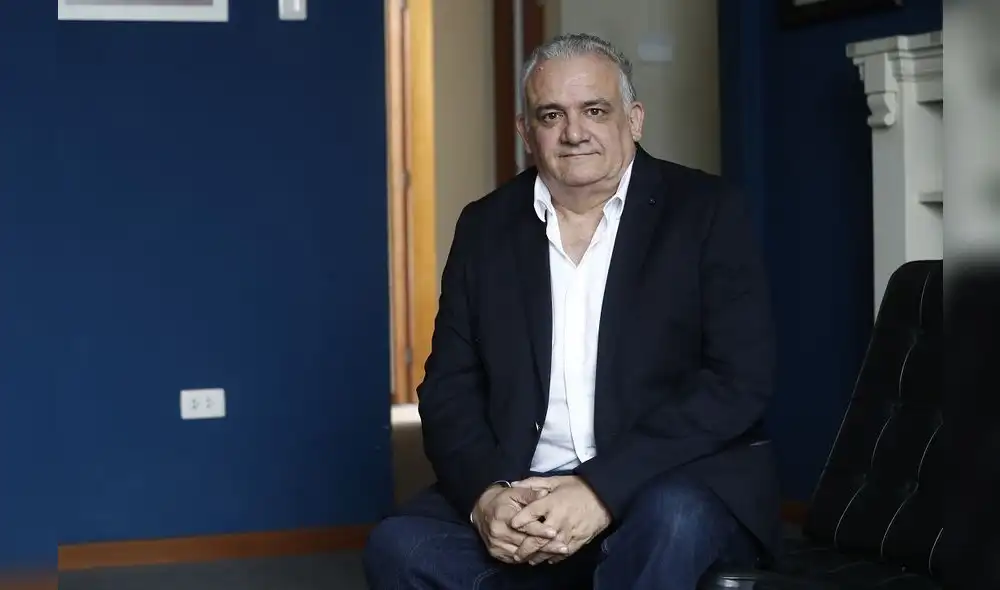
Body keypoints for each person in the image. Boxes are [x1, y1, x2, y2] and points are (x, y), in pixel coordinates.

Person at [364, 32, 780, 590]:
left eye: (595, 111)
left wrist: (600, 489)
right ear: (525, 132)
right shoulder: (485, 227)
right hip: (524, 483)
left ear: (633, 120)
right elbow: (448, 389)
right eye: (551, 114)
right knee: (399, 547)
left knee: (672, 524)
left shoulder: (707, 212)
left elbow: (738, 382)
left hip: (666, 477)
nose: (574, 132)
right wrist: (488, 496)